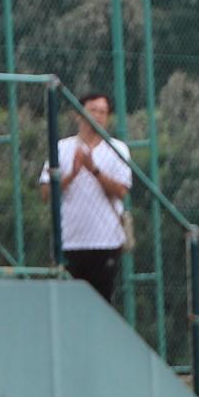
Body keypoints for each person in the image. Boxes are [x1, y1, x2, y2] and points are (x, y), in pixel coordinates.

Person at [40, 90, 132, 304]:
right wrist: (71, 174)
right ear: (78, 114)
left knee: (102, 305)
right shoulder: (61, 148)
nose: (98, 116)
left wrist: (94, 170)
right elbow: (46, 194)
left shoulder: (118, 149)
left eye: (103, 112)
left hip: (106, 242)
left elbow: (121, 191)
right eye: (93, 110)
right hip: (70, 242)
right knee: (70, 306)